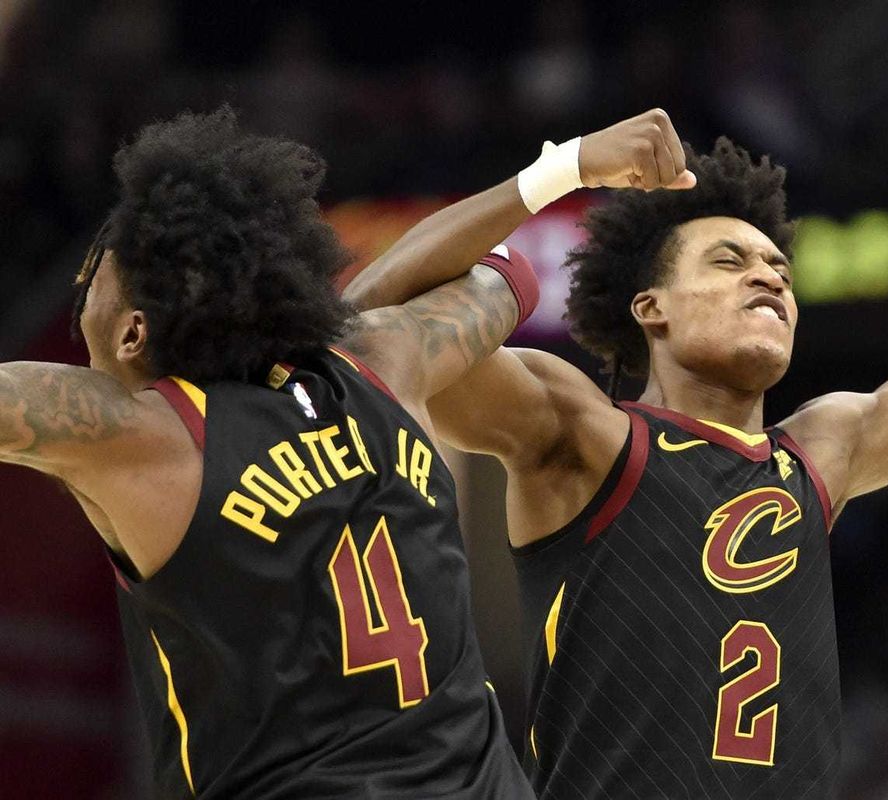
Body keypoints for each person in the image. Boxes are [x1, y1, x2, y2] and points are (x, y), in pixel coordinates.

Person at [355, 131, 888, 798]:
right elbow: (369, 327)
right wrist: (560, 170)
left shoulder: (819, 450)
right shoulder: (580, 432)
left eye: (779, 270)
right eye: (730, 262)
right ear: (650, 307)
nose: (768, 280)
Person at [0, 106, 690, 798]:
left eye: (89, 282)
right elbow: (505, 274)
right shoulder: (379, 366)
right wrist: (562, 169)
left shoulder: (142, 435)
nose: (80, 298)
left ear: (131, 334)